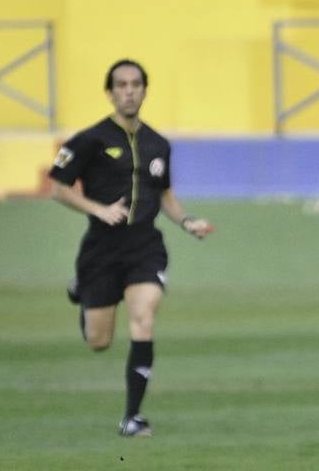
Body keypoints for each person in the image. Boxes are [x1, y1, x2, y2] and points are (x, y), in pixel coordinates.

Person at [48, 59, 213, 438]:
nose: (129, 91)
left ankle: (132, 417)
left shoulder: (159, 144)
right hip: (101, 250)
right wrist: (98, 209)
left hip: (144, 247)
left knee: (143, 317)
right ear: (110, 92)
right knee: (98, 342)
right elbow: (57, 188)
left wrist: (187, 222)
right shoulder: (89, 140)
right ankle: (84, 293)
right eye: (121, 85)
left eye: (135, 84)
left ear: (144, 90)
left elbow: (166, 195)